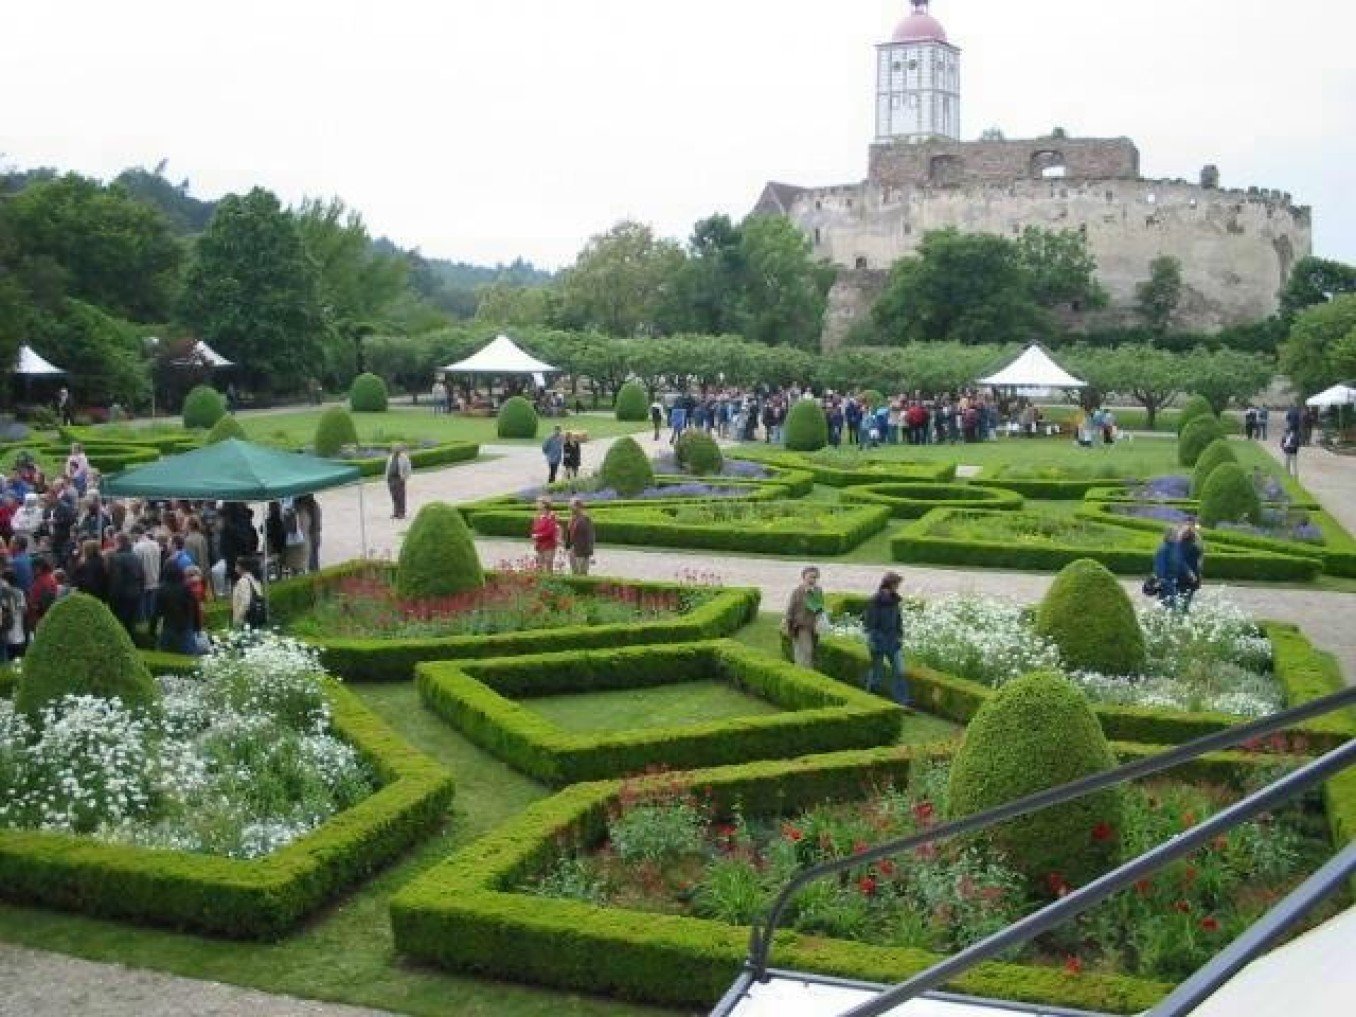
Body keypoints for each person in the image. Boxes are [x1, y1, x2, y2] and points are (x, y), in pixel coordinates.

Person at [863, 571, 911, 706]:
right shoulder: (875, 601)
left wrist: (899, 635)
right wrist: (875, 639)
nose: (898, 587)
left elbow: (898, 620)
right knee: (877, 673)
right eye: (897, 584)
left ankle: (902, 701)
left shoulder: (895, 600)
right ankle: (870, 696)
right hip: (878, 640)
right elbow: (870, 624)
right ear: (891, 584)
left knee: (900, 671)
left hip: (893, 642)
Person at [151, 561, 201, 655]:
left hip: (169, 626)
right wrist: (197, 627)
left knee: (166, 655)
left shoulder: (162, 590)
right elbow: (194, 609)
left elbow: (156, 612)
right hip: (185, 626)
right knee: (188, 655)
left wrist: (152, 630)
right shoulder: (186, 588)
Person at [782, 566, 825, 669]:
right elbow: (791, 608)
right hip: (801, 626)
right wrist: (786, 622)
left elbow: (820, 608)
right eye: (810, 577)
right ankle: (805, 672)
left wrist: (820, 621)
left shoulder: (818, 591)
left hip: (813, 627)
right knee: (805, 651)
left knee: (810, 651)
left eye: (815, 577)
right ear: (804, 577)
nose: (813, 580)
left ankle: (804, 671)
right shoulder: (798, 591)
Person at [107, 532, 145, 634]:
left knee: (119, 623)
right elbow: (142, 576)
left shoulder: (117, 558)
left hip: (122, 596)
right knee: (130, 623)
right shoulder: (135, 557)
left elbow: (116, 580)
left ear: (119, 543)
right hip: (135, 593)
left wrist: (112, 597)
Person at [1153, 527, 1184, 610]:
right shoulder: (1163, 548)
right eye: (1174, 534)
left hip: (1174, 579)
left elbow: (1181, 561)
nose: (1176, 536)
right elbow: (1160, 565)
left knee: (1172, 603)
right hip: (1166, 580)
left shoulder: (1176, 547)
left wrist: (1188, 572)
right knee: (1167, 604)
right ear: (1168, 536)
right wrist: (1162, 578)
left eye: (1176, 534)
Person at [71, 539, 110, 603]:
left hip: (88, 595)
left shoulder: (84, 564)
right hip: (102, 595)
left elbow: (77, 580)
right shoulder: (104, 562)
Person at [231, 556, 266, 628]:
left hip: (247, 619)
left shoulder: (243, 581)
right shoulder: (254, 579)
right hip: (257, 615)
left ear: (242, 567)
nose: (235, 568)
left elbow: (245, 601)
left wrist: (238, 618)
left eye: (236, 566)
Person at [564, 497, 595, 576]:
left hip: (582, 550)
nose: (570, 507)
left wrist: (589, 551)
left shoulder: (585, 519)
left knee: (582, 573)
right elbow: (569, 533)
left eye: (571, 505)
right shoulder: (571, 518)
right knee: (574, 572)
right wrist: (567, 548)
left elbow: (590, 536)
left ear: (578, 506)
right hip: (572, 549)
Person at [1178, 518, 1203, 611]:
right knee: (1185, 603)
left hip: (1185, 576)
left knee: (1182, 601)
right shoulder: (1192, 546)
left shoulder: (1179, 545)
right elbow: (1181, 560)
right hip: (1188, 576)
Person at [0, 568, 25, 661]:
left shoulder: (4, 595)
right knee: (19, 664)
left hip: (8, 637)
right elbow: (24, 610)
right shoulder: (20, 592)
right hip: (20, 636)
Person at [530, 497, 560, 573]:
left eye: (539, 503)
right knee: (539, 566)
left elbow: (550, 531)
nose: (537, 505)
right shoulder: (537, 517)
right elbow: (534, 529)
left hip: (549, 545)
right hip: (539, 545)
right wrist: (534, 537)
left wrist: (538, 536)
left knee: (548, 565)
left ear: (544, 505)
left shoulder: (551, 516)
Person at [385, 442, 413, 520]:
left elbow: (408, 468)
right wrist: (387, 477)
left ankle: (402, 513)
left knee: (401, 496)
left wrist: (404, 477)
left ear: (400, 450)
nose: (395, 450)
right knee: (394, 496)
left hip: (399, 479)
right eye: (394, 448)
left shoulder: (404, 458)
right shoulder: (390, 457)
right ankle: (396, 512)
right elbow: (387, 468)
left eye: (396, 449)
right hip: (391, 479)